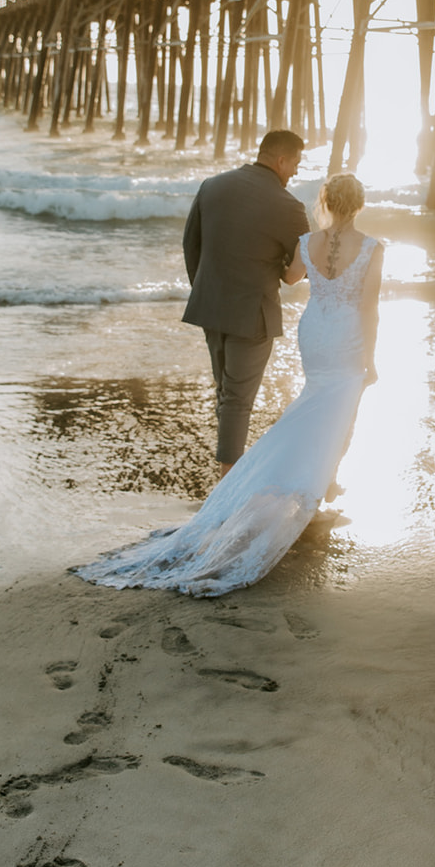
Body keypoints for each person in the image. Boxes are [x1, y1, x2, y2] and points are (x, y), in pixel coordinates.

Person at [75, 174, 382, 597]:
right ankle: (314, 488)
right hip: (346, 336)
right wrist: (371, 358)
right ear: (360, 205)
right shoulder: (371, 248)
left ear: (326, 201)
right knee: (338, 414)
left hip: (315, 333)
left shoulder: (307, 241)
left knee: (314, 406)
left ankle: (313, 487)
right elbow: (369, 307)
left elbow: (292, 278)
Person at [182, 130, 309, 473]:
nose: (296, 171)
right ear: (281, 160)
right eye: (296, 163)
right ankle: (226, 487)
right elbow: (301, 265)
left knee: (226, 394)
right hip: (253, 316)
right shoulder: (288, 205)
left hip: (210, 308)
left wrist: (206, 290)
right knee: (237, 400)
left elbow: (190, 245)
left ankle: (226, 474)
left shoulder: (212, 186)